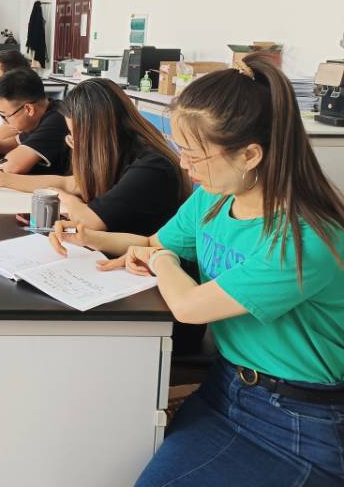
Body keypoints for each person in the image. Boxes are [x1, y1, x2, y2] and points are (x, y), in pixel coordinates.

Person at [55, 54, 344, 487]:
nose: (183, 165)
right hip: (225, 387)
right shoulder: (213, 198)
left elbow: (189, 305)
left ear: (249, 154)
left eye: (193, 154)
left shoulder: (306, 238)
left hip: (298, 421)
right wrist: (88, 237)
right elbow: (154, 243)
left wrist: (162, 260)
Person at [0, 78, 190, 235]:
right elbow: (67, 183)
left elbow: (91, 221)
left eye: (76, 137)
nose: (75, 144)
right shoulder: (118, 150)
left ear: (97, 133)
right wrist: (3, 179)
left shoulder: (151, 165)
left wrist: (65, 198)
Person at [0, 68, 71, 176]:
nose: (5, 122)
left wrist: (0, 162)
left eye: (6, 116)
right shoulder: (43, 113)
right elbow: (17, 141)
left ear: (28, 109)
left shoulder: (57, 119)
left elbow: (13, 167)